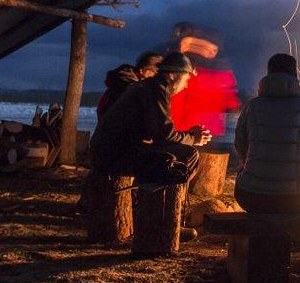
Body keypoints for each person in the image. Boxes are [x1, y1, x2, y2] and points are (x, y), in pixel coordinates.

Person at [90, 53, 210, 184]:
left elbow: (158, 133)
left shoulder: (149, 86)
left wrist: (190, 135)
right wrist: (193, 138)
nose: (186, 85)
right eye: (186, 80)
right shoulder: (157, 89)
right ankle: (159, 201)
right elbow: (165, 136)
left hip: (110, 151)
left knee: (171, 156)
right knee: (189, 154)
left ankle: (151, 193)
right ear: (172, 75)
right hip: (113, 156)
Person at [233, 53, 300, 214]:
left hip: (252, 198)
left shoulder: (251, 108)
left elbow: (240, 146)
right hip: (298, 200)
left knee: (243, 175)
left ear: (268, 74)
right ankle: (297, 235)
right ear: (295, 75)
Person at [167, 23, 240, 139]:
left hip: (182, 129)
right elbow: (231, 99)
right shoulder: (223, 71)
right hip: (206, 130)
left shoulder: (182, 68)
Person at [95, 51, 163, 120]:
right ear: (143, 71)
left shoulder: (122, 82)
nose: (157, 77)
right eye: (156, 73)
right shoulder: (130, 89)